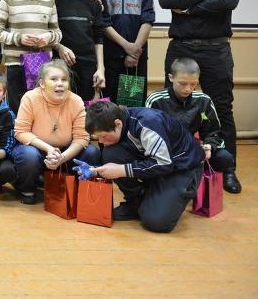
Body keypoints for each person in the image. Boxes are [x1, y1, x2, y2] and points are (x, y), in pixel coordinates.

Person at [158, 0, 241, 194]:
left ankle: (227, 169)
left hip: (216, 50)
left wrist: (188, 9)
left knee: (222, 110)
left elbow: (228, 0)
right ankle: (172, 165)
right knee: (171, 109)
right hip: (180, 49)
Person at [85, 101, 203, 233]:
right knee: (111, 154)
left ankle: (163, 196)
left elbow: (164, 163)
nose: (101, 141)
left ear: (118, 124)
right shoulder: (121, 122)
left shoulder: (148, 122)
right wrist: (95, 170)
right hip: (156, 163)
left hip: (182, 167)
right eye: (97, 137)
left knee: (156, 222)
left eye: (103, 136)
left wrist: (122, 170)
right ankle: (136, 202)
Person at [12, 60, 100, 204]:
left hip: (66, 152)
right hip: (37, 149)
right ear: (42, 83)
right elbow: (21, 132)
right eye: (54, 79)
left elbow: (82, 137)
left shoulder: (76, 101)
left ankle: (78, 191)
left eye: (64, 80)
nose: (60, 83)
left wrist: (62, 157)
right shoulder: (30, 98)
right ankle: (27, 190)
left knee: (92, 152)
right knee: (28, 155)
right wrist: (49, 149)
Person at [0, 0, 61, 113]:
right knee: (18, 107)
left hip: (42, 64)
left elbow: (57, 33)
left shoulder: (49, 1)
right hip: (16, 63)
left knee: (41, 107)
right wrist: (18, 38)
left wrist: (48, 37)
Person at [145, 58, 234, 173]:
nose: (188, 89)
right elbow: (147, 134)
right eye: (182, 84)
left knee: (224, 158)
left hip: (190, 148)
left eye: (193, 84)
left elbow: (213, 133)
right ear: (171, 78)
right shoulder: (156, 100)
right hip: (163, 150)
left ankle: (203, 172)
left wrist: (209, 146)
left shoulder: (204, 100)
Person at [101, 0, 154, 104]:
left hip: (136, 58)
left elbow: (147, 21)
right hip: (111, 56)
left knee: (132, 103)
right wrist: (126, 46)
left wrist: (134, 51)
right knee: (110, 104)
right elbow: (103, 23)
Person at [52, 0, 106, 102]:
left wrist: (100, 68)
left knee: (85, 104)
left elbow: (98, 37)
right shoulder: (55, 2)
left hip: (88, 63)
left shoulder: (94, 4)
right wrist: (59, 47)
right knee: (61, 102)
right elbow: (50, 32)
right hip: (62, 62)